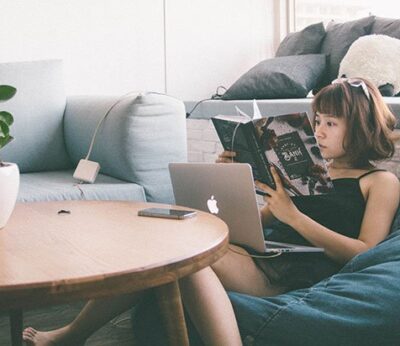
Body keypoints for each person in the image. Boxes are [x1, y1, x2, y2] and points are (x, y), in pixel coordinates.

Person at [23, 77, 400, 346]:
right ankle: (74, 334)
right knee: (165, 246)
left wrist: (293, 216)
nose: (318, 131)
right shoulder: (308, 169)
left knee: (188, 259)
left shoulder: (378, 181)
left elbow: (365, 252)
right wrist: (232, 182)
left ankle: (71, 335)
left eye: (331, 124)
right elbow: (259, 224)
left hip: (295, 277)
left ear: (362, 127)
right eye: (317, 121)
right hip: (265, 255)